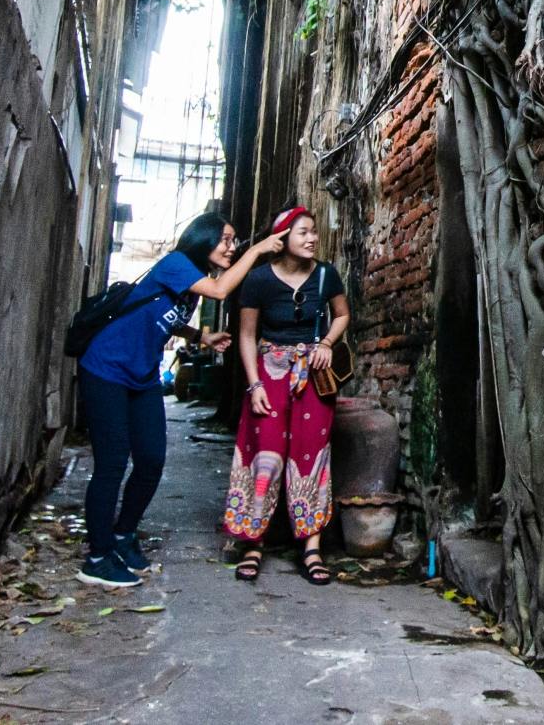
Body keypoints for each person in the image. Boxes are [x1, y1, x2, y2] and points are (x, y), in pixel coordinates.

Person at [76, 212, 288, 589]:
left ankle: (123, 536)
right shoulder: (178, 264)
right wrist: (256, 250)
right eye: (225, 239)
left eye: (235, 240)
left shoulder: (189, 283)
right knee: (112, 462)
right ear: (203, 239)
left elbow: (164, 315)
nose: (231, 246)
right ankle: (96, 557)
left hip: (141, 377)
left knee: (152, 459)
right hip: (105, 368)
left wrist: (199, 337)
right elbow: (222, 291)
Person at [223, 205, 348, 585]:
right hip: (269, 374)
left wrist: (326, 341)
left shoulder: (326, 275)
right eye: (303, 232)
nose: (312, 238)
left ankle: (311, 548)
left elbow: (342, 315)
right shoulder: (258, 280)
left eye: (313, 232)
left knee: (311, 455)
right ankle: (253, 542)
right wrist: (254, 384)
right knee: (265, 453)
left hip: (312, 374)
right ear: (282, 239)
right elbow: (247, 335)